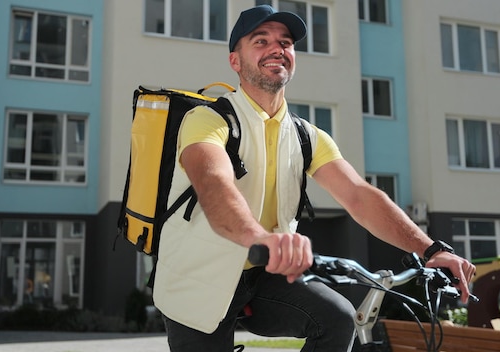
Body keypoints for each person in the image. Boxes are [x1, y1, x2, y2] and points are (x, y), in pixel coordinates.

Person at [152, 5, 476, 352]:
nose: (277, 49)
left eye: (285, 42)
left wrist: (430, 250)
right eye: (260, 41)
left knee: (337, 319)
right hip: (198, 277)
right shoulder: (208, 120)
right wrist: (261, 238)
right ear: (235, 61)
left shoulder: (306, 136)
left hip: (263, 277)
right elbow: (214, 183)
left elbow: (358, 195)